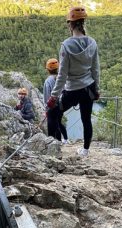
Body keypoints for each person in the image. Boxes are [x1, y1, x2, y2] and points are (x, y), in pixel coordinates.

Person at [47, 6, 100, 156]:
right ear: (83, 23)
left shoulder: (66, 45)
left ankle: (52, 147)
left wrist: (53, 96)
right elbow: (95, 69)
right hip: (88, 88)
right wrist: (97, 89)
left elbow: (62, 75)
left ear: (70, 24)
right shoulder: (92, 43)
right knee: (86, 119)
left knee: (52, 113)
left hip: (72, 90)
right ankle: (85, 150)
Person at [43, 58, 69, 143]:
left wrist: (46, 109)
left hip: (52, 106)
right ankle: (59, 142)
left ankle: (52, 145)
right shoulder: (61, 78)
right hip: (61, 106)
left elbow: (47, 96)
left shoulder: (48, 81)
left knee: (51, 126)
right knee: (57, 123)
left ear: (48, 69)